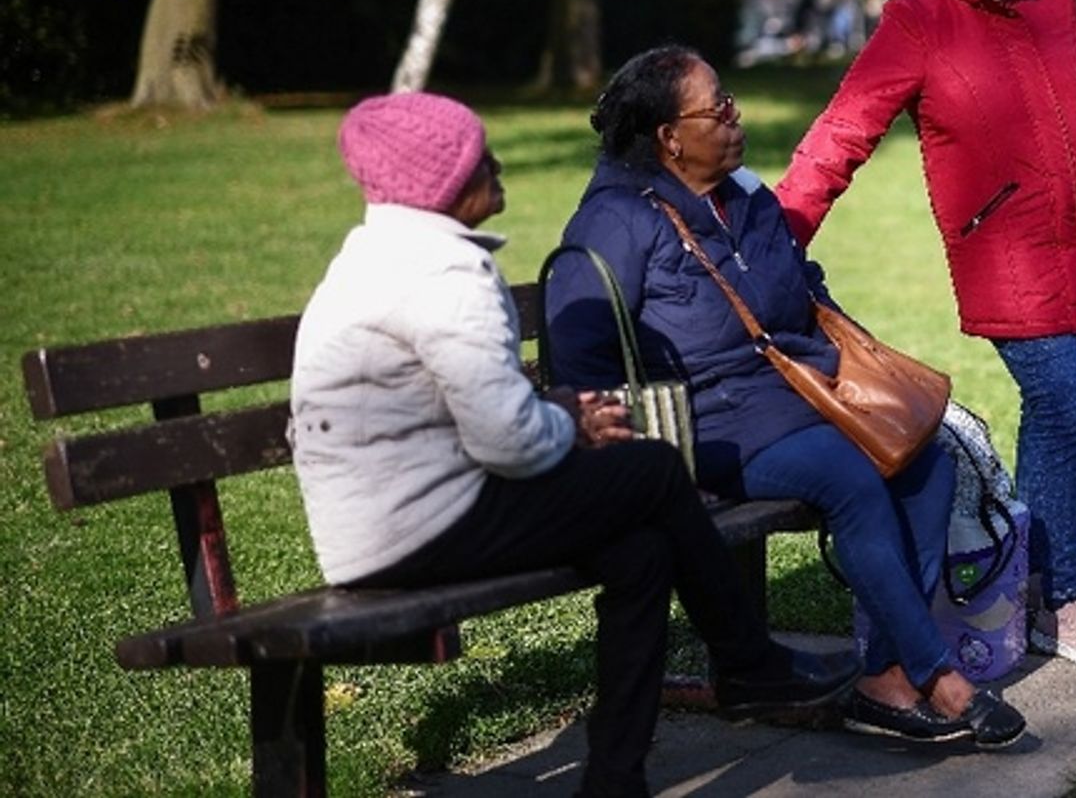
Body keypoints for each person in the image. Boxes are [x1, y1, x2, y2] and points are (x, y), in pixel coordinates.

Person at [290, 93, 857, 798]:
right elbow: (510, 445)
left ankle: (616, 780)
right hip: (417, 529)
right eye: (478, 158)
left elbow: (450, 407)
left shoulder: (380, 257)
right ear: (443, 183)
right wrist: (572, 424)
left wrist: (549, 406)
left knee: (642, 553)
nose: (497, 167)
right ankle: (747, 665)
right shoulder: (446, 276)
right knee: (651, 467)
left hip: (384, 524)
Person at [543, 46, 1028, 749]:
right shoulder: (617, 220)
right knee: (849, 474)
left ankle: (883, 677)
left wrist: (849, 367)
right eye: (719, 109)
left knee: (929, 465)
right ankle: (938, 676)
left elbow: (801, 291)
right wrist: (623, 447)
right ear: (669, 138)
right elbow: (579, 350)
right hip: (708, 423)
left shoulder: (745, 196)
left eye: (731, 101)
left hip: (799, 397)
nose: (736, 118)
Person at [777, 0, 1076, 666]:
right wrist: (774, 234)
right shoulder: (917, 22)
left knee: (1064, 415)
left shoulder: (1056, 2)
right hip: (1007, 254)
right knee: (1066, 403)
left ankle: (1022, 584)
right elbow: (843, 133)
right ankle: (1065, 601)